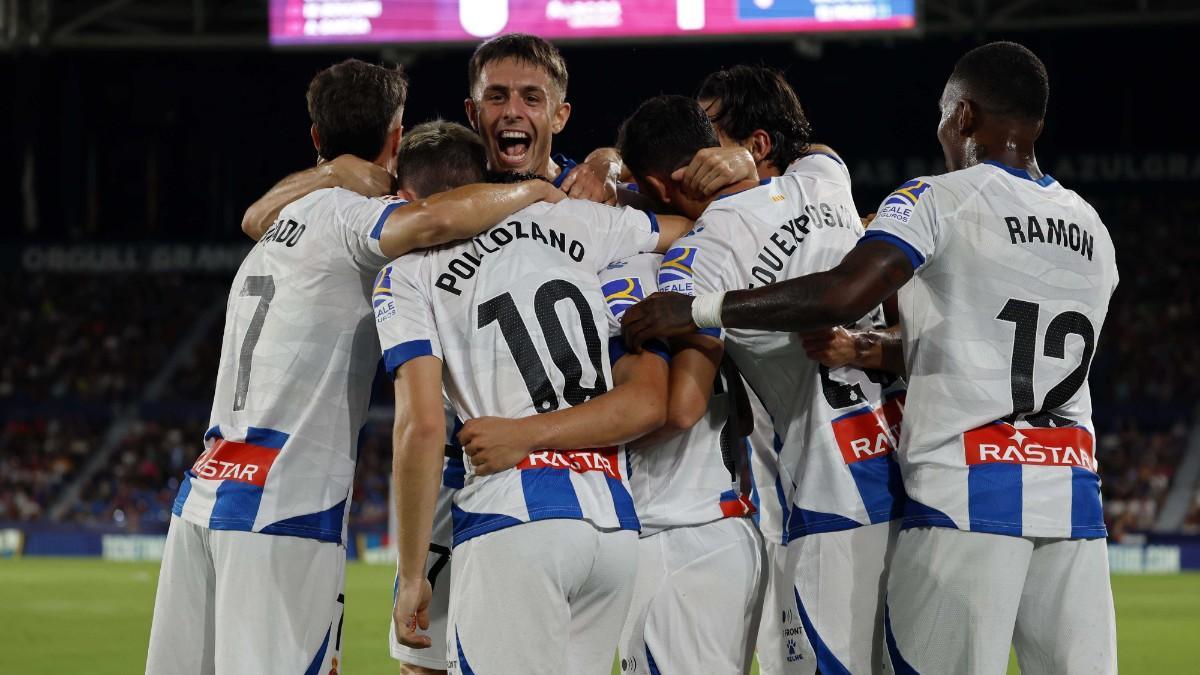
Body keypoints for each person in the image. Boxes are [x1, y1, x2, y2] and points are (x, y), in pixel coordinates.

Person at [622, 42, 1118, 674]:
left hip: (950, 496)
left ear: (962, 116)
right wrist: (873, 348)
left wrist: (695, 308)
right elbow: (988, 347)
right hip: (1067, 493)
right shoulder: (1093, 228)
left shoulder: (938, 199)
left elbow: (843, 292)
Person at [145, 59, 564, 675]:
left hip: (206, 493)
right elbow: (436, 217)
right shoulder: (353, 219)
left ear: (316, 139)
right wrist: (535, 189)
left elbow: (252, 215)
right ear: (396, 140)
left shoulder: (281, 221)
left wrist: (328, 172)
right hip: (285, 506)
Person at [619, 94, 906, 674]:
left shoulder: (697, 262)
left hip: (831, 495)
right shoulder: (821, 180)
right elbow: (817, 148)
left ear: (656, 183)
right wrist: (747, 165)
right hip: (906, 468)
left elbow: (684, 405)